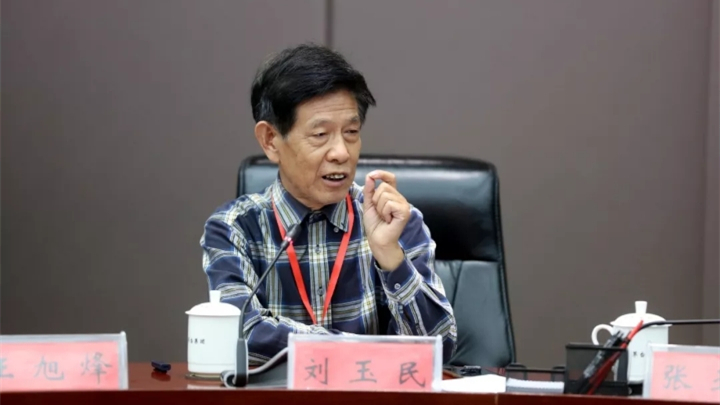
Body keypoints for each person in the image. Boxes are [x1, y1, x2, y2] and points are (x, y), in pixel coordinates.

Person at [200, 44, 456, 365]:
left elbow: (439, 352)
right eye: (320, 134)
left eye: (351, 132)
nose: (341, 153)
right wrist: (364, 351)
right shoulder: (234, 227)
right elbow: (238, 334)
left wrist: (391, 258)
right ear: (270, 140)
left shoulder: (395, 221)